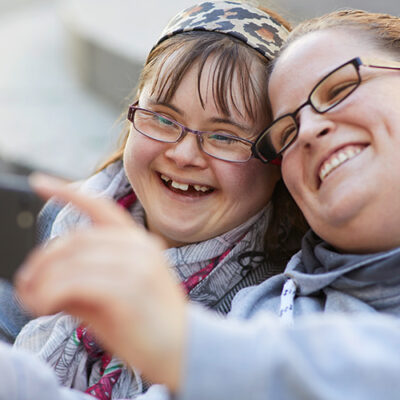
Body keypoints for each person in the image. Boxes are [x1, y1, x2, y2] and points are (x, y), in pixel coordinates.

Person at [5, 1, 306, 399]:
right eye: (163, 118)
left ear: (276, 160)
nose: (183, 155)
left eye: (225, 137)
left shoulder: (264, 310)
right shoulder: (69, 218)